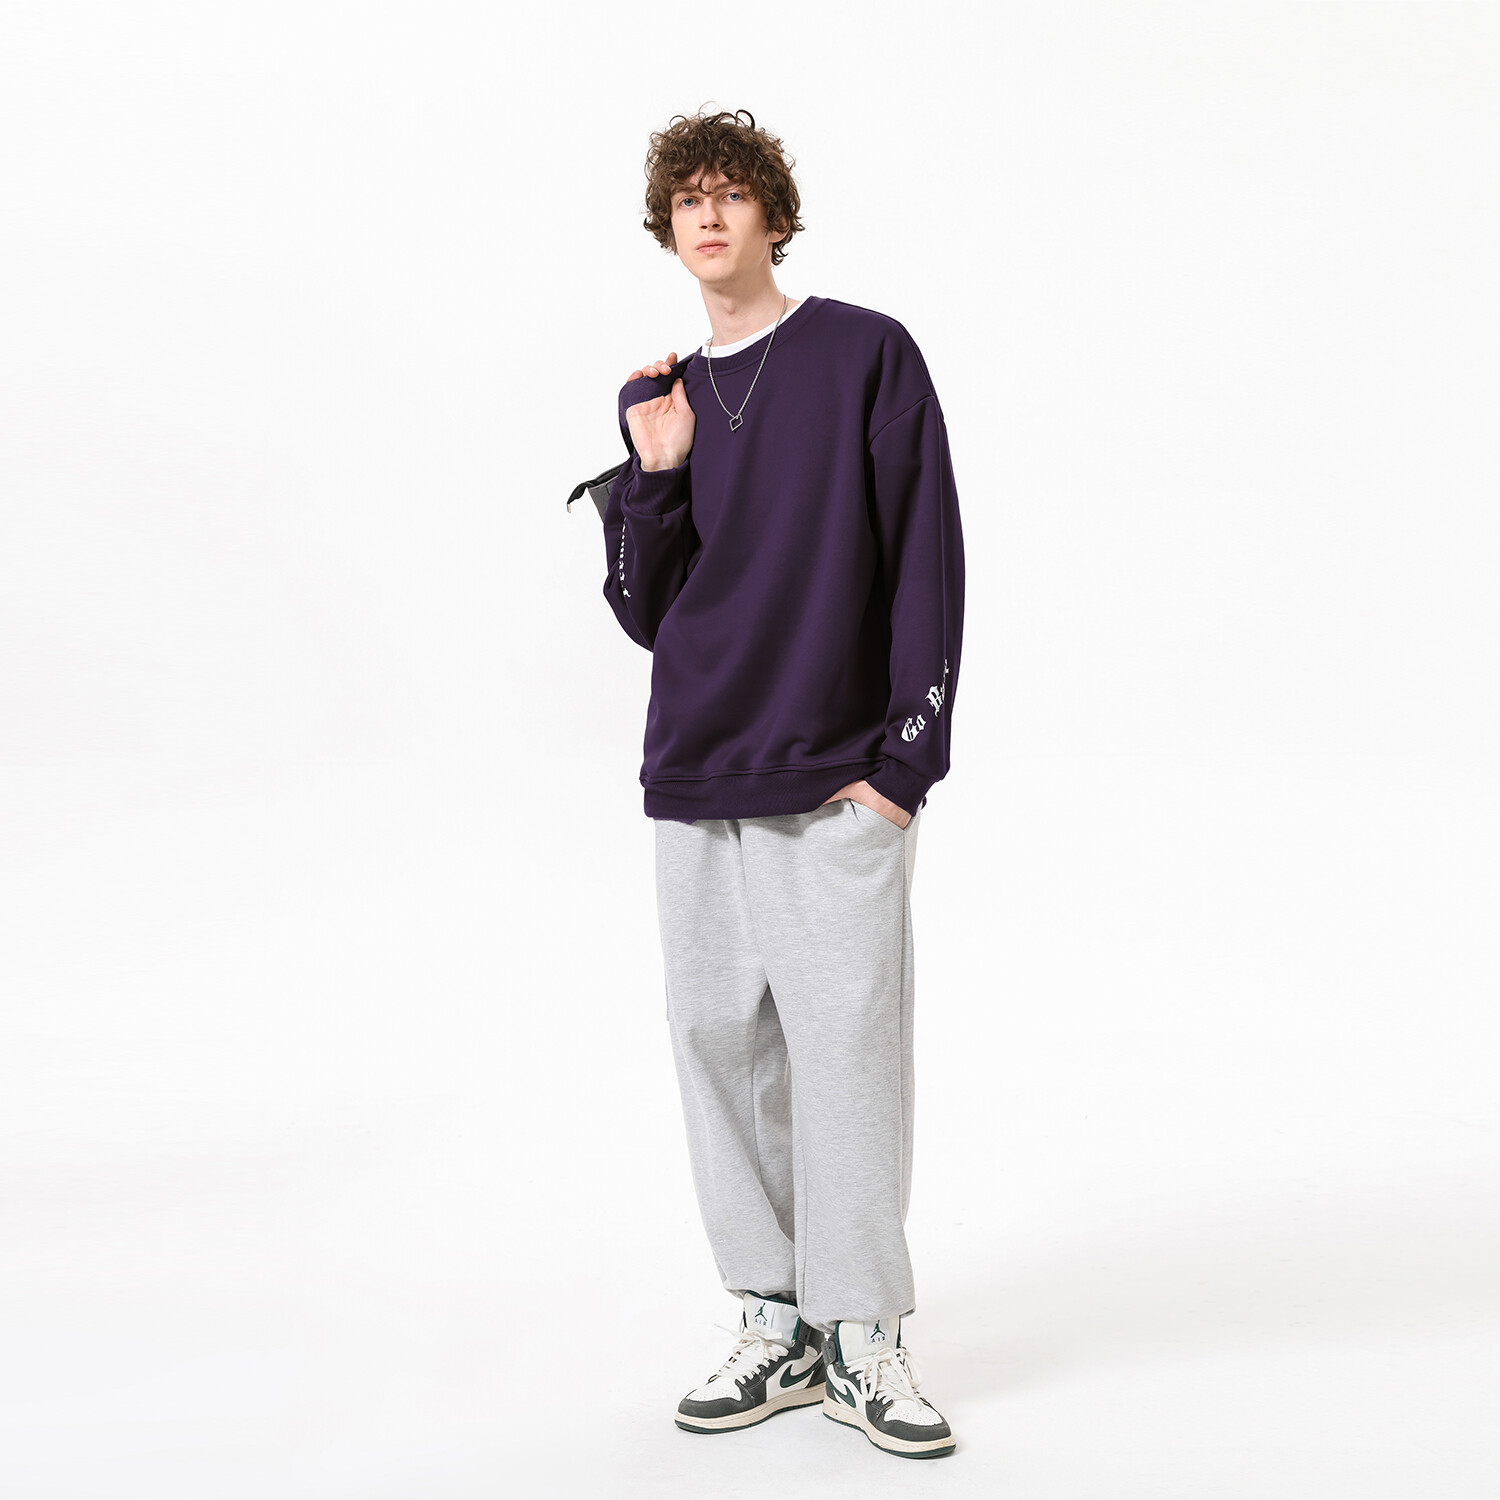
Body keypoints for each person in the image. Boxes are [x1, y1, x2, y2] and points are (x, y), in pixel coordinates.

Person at [599, 107, 965, 1461]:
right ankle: (775, 1317)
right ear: (668, 228)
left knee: (847, 1054)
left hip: (837, 778)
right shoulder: (662, 394)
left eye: (732, 193)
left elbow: (926, 554)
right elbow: (649, 613)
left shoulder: (865, 352)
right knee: (722, 1047)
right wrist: (655, 474)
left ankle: (862, 1330)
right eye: (686, 199)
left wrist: (905, 761)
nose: (709, 216)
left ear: (772, 215)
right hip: (696, 767)